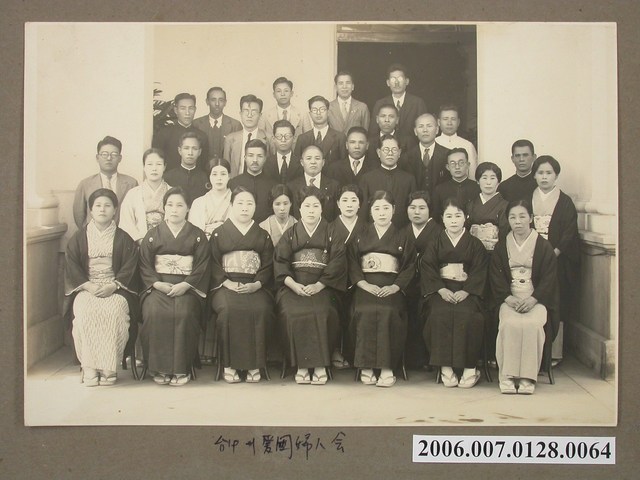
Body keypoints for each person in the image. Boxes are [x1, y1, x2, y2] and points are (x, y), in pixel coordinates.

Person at [64, 188, 139, 386]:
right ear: (90, 210)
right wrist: (88, 285)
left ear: (115, 210)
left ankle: (109, 367)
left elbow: (130, 267)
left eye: (107, 205)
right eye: (97, 205)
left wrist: (114, 285)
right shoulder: (79, 238)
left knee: (114, 312)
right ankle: (89, 367)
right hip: (87, 287)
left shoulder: (124, 238)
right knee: (85, 313)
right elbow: (72, 265)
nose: (102, 209)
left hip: (116, 288)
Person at [274, 187, 347, 385]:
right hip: (293, 285)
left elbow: (338, 261)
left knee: (324, 311)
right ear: (299, 209)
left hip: (324, 285)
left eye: (316, 206)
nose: (311, 210)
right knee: (291, 311)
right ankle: (302, 365)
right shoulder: (290, 233)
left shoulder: (332, 232)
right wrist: (293, 285)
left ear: (322, 209)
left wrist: (320, 285)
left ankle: (321, 365)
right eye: (307, 206)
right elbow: (280, 262)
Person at [139, 187, 210, 386]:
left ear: (187, 208)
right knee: (154, 311)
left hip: (188, 287)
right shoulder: (152, 235)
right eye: (170, 205)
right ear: (164, 208)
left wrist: (186, 285)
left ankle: (181, 368)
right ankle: (158, 367)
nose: (174, 209)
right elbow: (144, 264)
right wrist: (157, 283)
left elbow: (202, 265)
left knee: (185, 312)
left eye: (180, 205)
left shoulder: (197, 235)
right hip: (158, 286)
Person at [347, 191, 416, 387]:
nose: (382, 212)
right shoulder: (360, 236)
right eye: (377, 208)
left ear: (393, 210)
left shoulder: (403, 236)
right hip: (365, 286)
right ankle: (366, 366)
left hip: (392, 287)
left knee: (389, 311)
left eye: (386, 208)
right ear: (370, 211)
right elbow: (352, 263)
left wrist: (395, 286)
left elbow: (409, 266)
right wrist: (364, 284)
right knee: (364, 310)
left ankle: (387, 367)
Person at [490, 200, 559, 394]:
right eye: (512, 217)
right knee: (509, 324)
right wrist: (508, 298)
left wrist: (533, 299)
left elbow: (549, 278)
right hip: (510, 297)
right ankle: (507, 375)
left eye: (522, 216)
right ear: (508, 220)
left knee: (532, 325)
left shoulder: (543, 245)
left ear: (531, 218)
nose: (517, 221)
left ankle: (528, 376)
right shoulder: (502, 246)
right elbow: (495, 276)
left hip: (536, 298)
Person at [209, 187, 275, 384]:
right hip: (226, 284)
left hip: (255, 284)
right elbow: (213, 262)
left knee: (261, 309)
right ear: (231, 205)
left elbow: (268, 264)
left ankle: (255, 364)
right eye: (240, 203)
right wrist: (227, 282)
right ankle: (229, 365)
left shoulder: (263, 235)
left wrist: (257, 284)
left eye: (249, 203)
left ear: (255, 207)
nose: (245, 208)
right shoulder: (218, 233)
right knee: (228, 309)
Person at [421, 198, 488, 388]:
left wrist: (467, 291)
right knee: (438, 313)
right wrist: (441, 289)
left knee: (469, 315)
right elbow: (428, 268)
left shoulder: (475, 244)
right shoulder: (435, 243)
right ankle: (445, 367)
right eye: (449, 216)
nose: (453, 220)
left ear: (465, 217)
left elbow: (480, 270)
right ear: (442, 218)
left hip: (468, 291)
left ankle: (469, 367)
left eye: (458, 216)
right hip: (441, 290)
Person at [530, 155, 581, 366]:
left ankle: (553, 353)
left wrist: (555, 252)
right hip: (532, 258)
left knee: (555, 302)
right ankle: (533, 350)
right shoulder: (528, 198)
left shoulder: (565, 201)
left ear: (556, 175)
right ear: (534, 175)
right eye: (540, 173)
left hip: (557, 259)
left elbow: (569, 232)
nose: (544, 177)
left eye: (549, 173)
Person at [329, 184, 369, 369]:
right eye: (344, 200)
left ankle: (355, 352)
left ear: (360, 204)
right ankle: (335, 349)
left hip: (361, 280)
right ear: (338, 203)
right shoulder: (330, 227)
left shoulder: (367, 228)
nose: (349, 204)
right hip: (333, 280)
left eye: (354, 200)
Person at [403, 191, 441, 368]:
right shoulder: (402, 232)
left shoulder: (439, 232)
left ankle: (428, 358)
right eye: (412, 207)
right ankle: (408, 358)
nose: (416, 212)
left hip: (432, 283)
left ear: (430, 210)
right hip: (407, 283)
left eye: (422, 208)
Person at [73, 136, 138, 229]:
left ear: (120, 158)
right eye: (104, 154)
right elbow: (79, 217)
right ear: (97, 157)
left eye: (114, 154)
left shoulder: (131, 183)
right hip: (93, 234)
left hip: (123, 235)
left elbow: (136, 214)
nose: (109, 158)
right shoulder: (85, 184)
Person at [359, 135, 417, 227]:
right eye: (386, 149)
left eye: (394, 150)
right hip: (373, 231)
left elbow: (413, 209)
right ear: (378, 152)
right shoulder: (367, 178)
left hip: (402, 230)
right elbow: (363, 212)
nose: (390, 153)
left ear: (399, 153)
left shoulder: (409, 179)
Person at [119, 148, 172, 244]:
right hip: (139, 245)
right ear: (144, 167)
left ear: (164, 167)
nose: (154, 168)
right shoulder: (133, 194)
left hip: (167, 245)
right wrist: (141, 241)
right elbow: (126, 222)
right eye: (150, 164)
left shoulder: (172, 193)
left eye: (159, 164)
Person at [370, 63, 427, 144]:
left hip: (412, 148)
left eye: (400, 79)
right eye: (393, 79)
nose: (396, 82)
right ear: (388, 83)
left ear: (407, 81)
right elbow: (373, 132)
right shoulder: (380, 104)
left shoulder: (417, 103)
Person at [152, 93, 209, 171]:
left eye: (191, 108)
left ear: (195, 110)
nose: (187, 113)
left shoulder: (202, 136)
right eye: (183, 108)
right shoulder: (163, 134)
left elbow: (204, 165)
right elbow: (156, 162)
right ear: (176, 110)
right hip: (169, 178)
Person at [192, 87, 242, 170]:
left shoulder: (235, 125)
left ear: (225, 102)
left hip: (226, 172)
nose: (217, 104)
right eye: (213, 100)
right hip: (201, 172)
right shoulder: (196, 124)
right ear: (207, 102)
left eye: (221, 100)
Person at [228, 139, 276, 224]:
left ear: (265, 158)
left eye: (259, 156)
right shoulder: (234, 183)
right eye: (251, 155)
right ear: (245, 158)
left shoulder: (273, 185)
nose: (255, 160)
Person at [400, 113, 451, 193]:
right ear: (415, 131)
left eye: (429, 126)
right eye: (421, 126)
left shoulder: (447, 155)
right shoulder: (406, 157)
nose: (425, 130)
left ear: (437, 130)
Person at [288, 145, 340, 222]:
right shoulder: (291, 187)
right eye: (309, 158)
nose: (313, 162)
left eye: (317, 158)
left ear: (323, 162)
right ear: (302, 162)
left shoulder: (334, 186)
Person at [223, 94, 270, 178]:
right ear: (240, 113)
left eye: (254, 112)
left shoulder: (269, 138)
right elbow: (226, 169)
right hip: (235, 182)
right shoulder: (230, 139)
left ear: (260, 115)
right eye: (246, 111)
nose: (249, 115)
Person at [293, 95, 347, 165]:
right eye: (314, 110)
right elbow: (297, 165)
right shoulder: (302, 139)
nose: (318, 113)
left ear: (328, 112)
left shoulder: (340, 137)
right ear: (310, 114)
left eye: (322, 109)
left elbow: (344, 165)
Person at [467, 162, 509, 251]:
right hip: (473, 251)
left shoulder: (504, 205)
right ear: (478, 181)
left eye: (492, 178)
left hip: (495, 252)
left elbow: (504, 234)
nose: (488, 182)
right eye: (484, 178)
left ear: (498, 182)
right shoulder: (471, 205)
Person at [431, 148, 480, 222]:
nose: (457, 167)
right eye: (453, 163)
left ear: (468, 165)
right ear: (448, 167)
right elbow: (436, 217)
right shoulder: (439, 190)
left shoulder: (477, 188)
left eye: (461, 163)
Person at [188, 159, 232, 239]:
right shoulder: (198, 202)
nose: (219, 178)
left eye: (223, 174)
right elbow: (194, 232)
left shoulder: (236, 201)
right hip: (204, 243)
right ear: (209, 176)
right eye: (214, 174)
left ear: (229, 176)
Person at [164, 132, 209, 205]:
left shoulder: (206, 178)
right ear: (180, 151)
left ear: (199, 152)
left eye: (194, 149)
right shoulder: (167, 178)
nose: (190, 153)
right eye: (186, 148)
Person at [259, 76, 310, 142]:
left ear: (291, 93)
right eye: (278, 91)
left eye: (286, 91)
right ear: (274, 94)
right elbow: (260, 139)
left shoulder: (303, 114)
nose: (282, 94)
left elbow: (309, 138)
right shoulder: (265, 115)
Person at [435, 104, 478, 179]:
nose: (449, 123)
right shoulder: (433, 143)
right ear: (438, 122)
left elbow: (473, 175)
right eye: (445, 119)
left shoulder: (467, 145)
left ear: (458, 122)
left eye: (453, 119)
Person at [263, 120, 303, 184]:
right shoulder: (265, 163)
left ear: (294, 138)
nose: (283, 140)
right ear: (273, 139)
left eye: (287, 136)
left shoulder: (301, 163)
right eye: (279, 136)